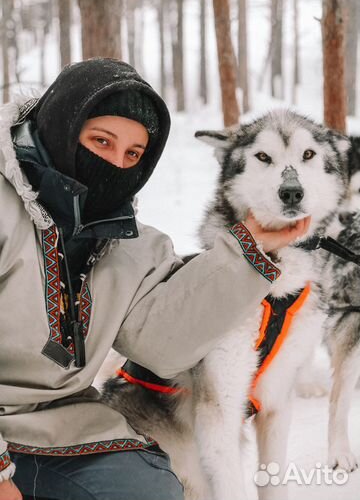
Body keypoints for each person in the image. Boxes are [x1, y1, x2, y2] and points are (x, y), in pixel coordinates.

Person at [0, 58, 310, 500]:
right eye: (100, 141)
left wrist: (250, 247)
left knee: (150, 489)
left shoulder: (130, 245)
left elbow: (163, 345)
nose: (113, 164)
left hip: (54, 425)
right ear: (61, 127)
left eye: (132, 155)